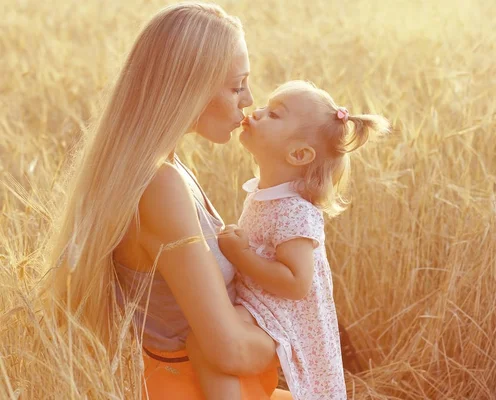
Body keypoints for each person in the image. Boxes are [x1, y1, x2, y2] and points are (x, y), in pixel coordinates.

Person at [45, 3, 291, 398]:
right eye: (236, 84)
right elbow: (230, 350)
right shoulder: (159, 185)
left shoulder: (162, 168)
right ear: (188, 87)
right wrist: (297, 328)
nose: (248, 99)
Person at [187, 80, 390, 399]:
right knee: (203, 333)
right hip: (261, 307)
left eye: (274, 114)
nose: (257, 112)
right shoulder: (267, 195)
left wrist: (240, 255)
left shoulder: (296, 211)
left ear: (298, 154)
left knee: (207, 340)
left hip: (281, 317)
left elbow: (297, 283)